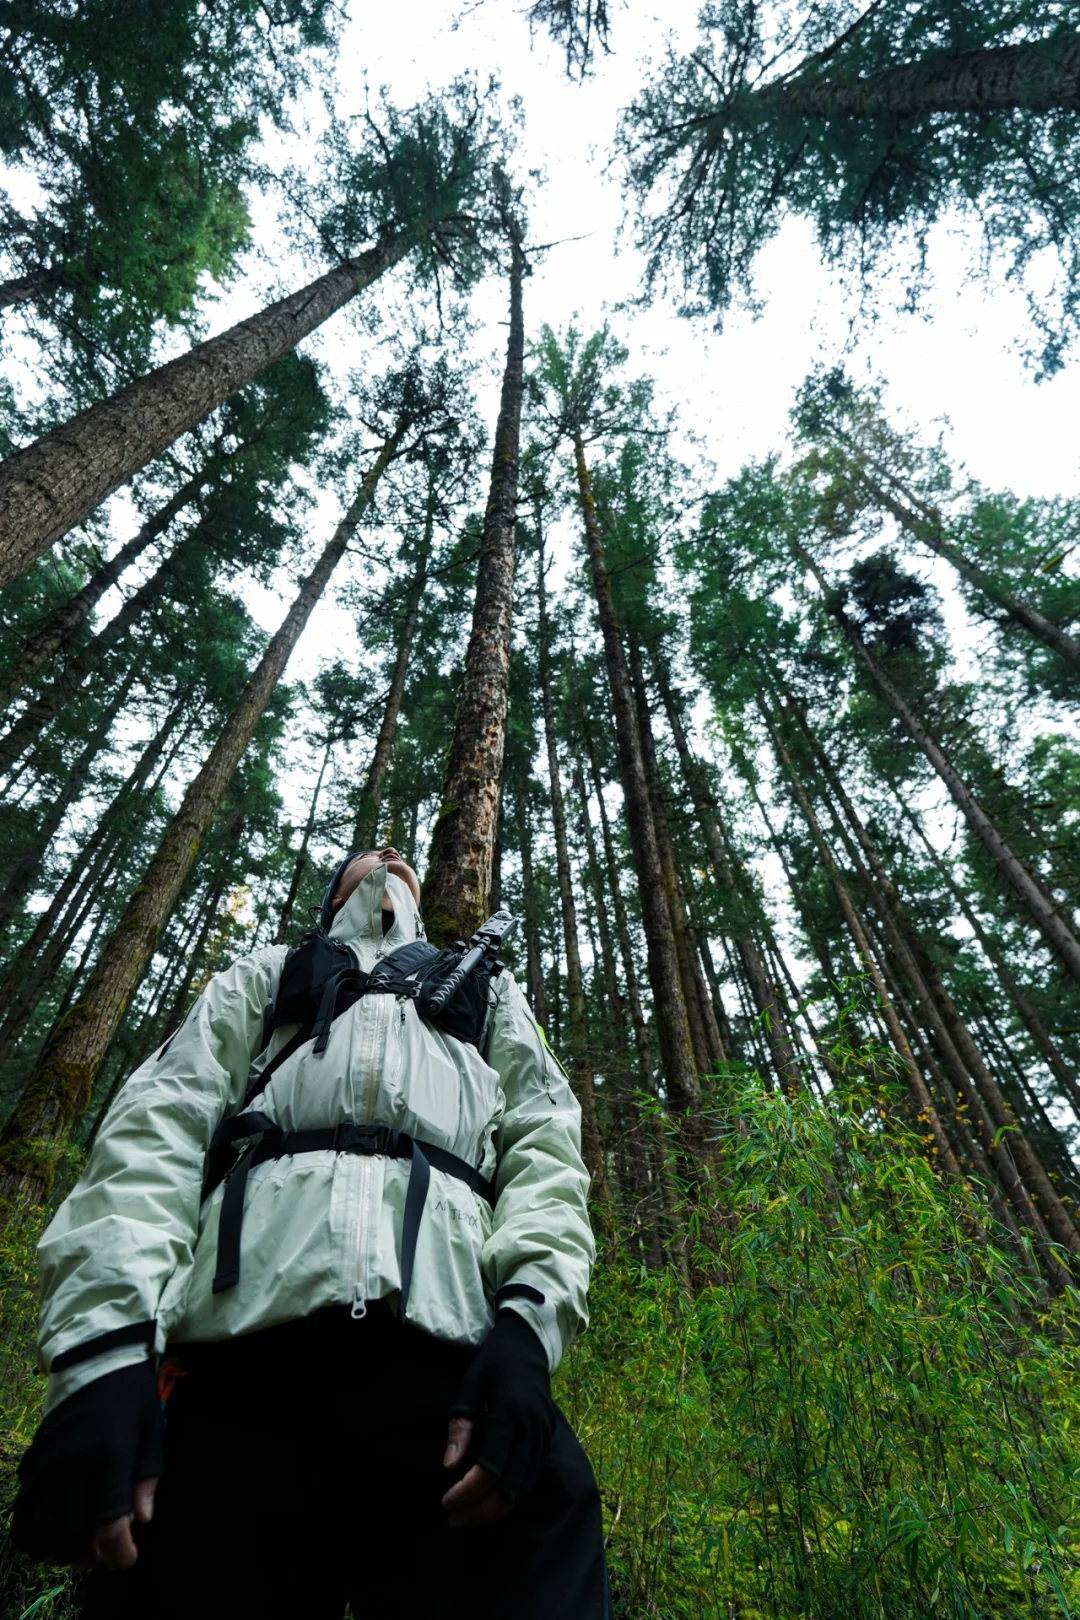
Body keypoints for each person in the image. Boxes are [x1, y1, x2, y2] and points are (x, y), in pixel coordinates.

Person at [14, 847, 609, 1618]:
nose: (391, 853)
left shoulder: (484, 988)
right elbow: (156, 1129)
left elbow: (546, 1149)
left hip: (456, 1373)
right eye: (367, 855)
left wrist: (529, 1330)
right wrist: (104, 1355)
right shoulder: (269, 974)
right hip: (240, 1368)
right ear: (335, 895)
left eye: (401, 857)